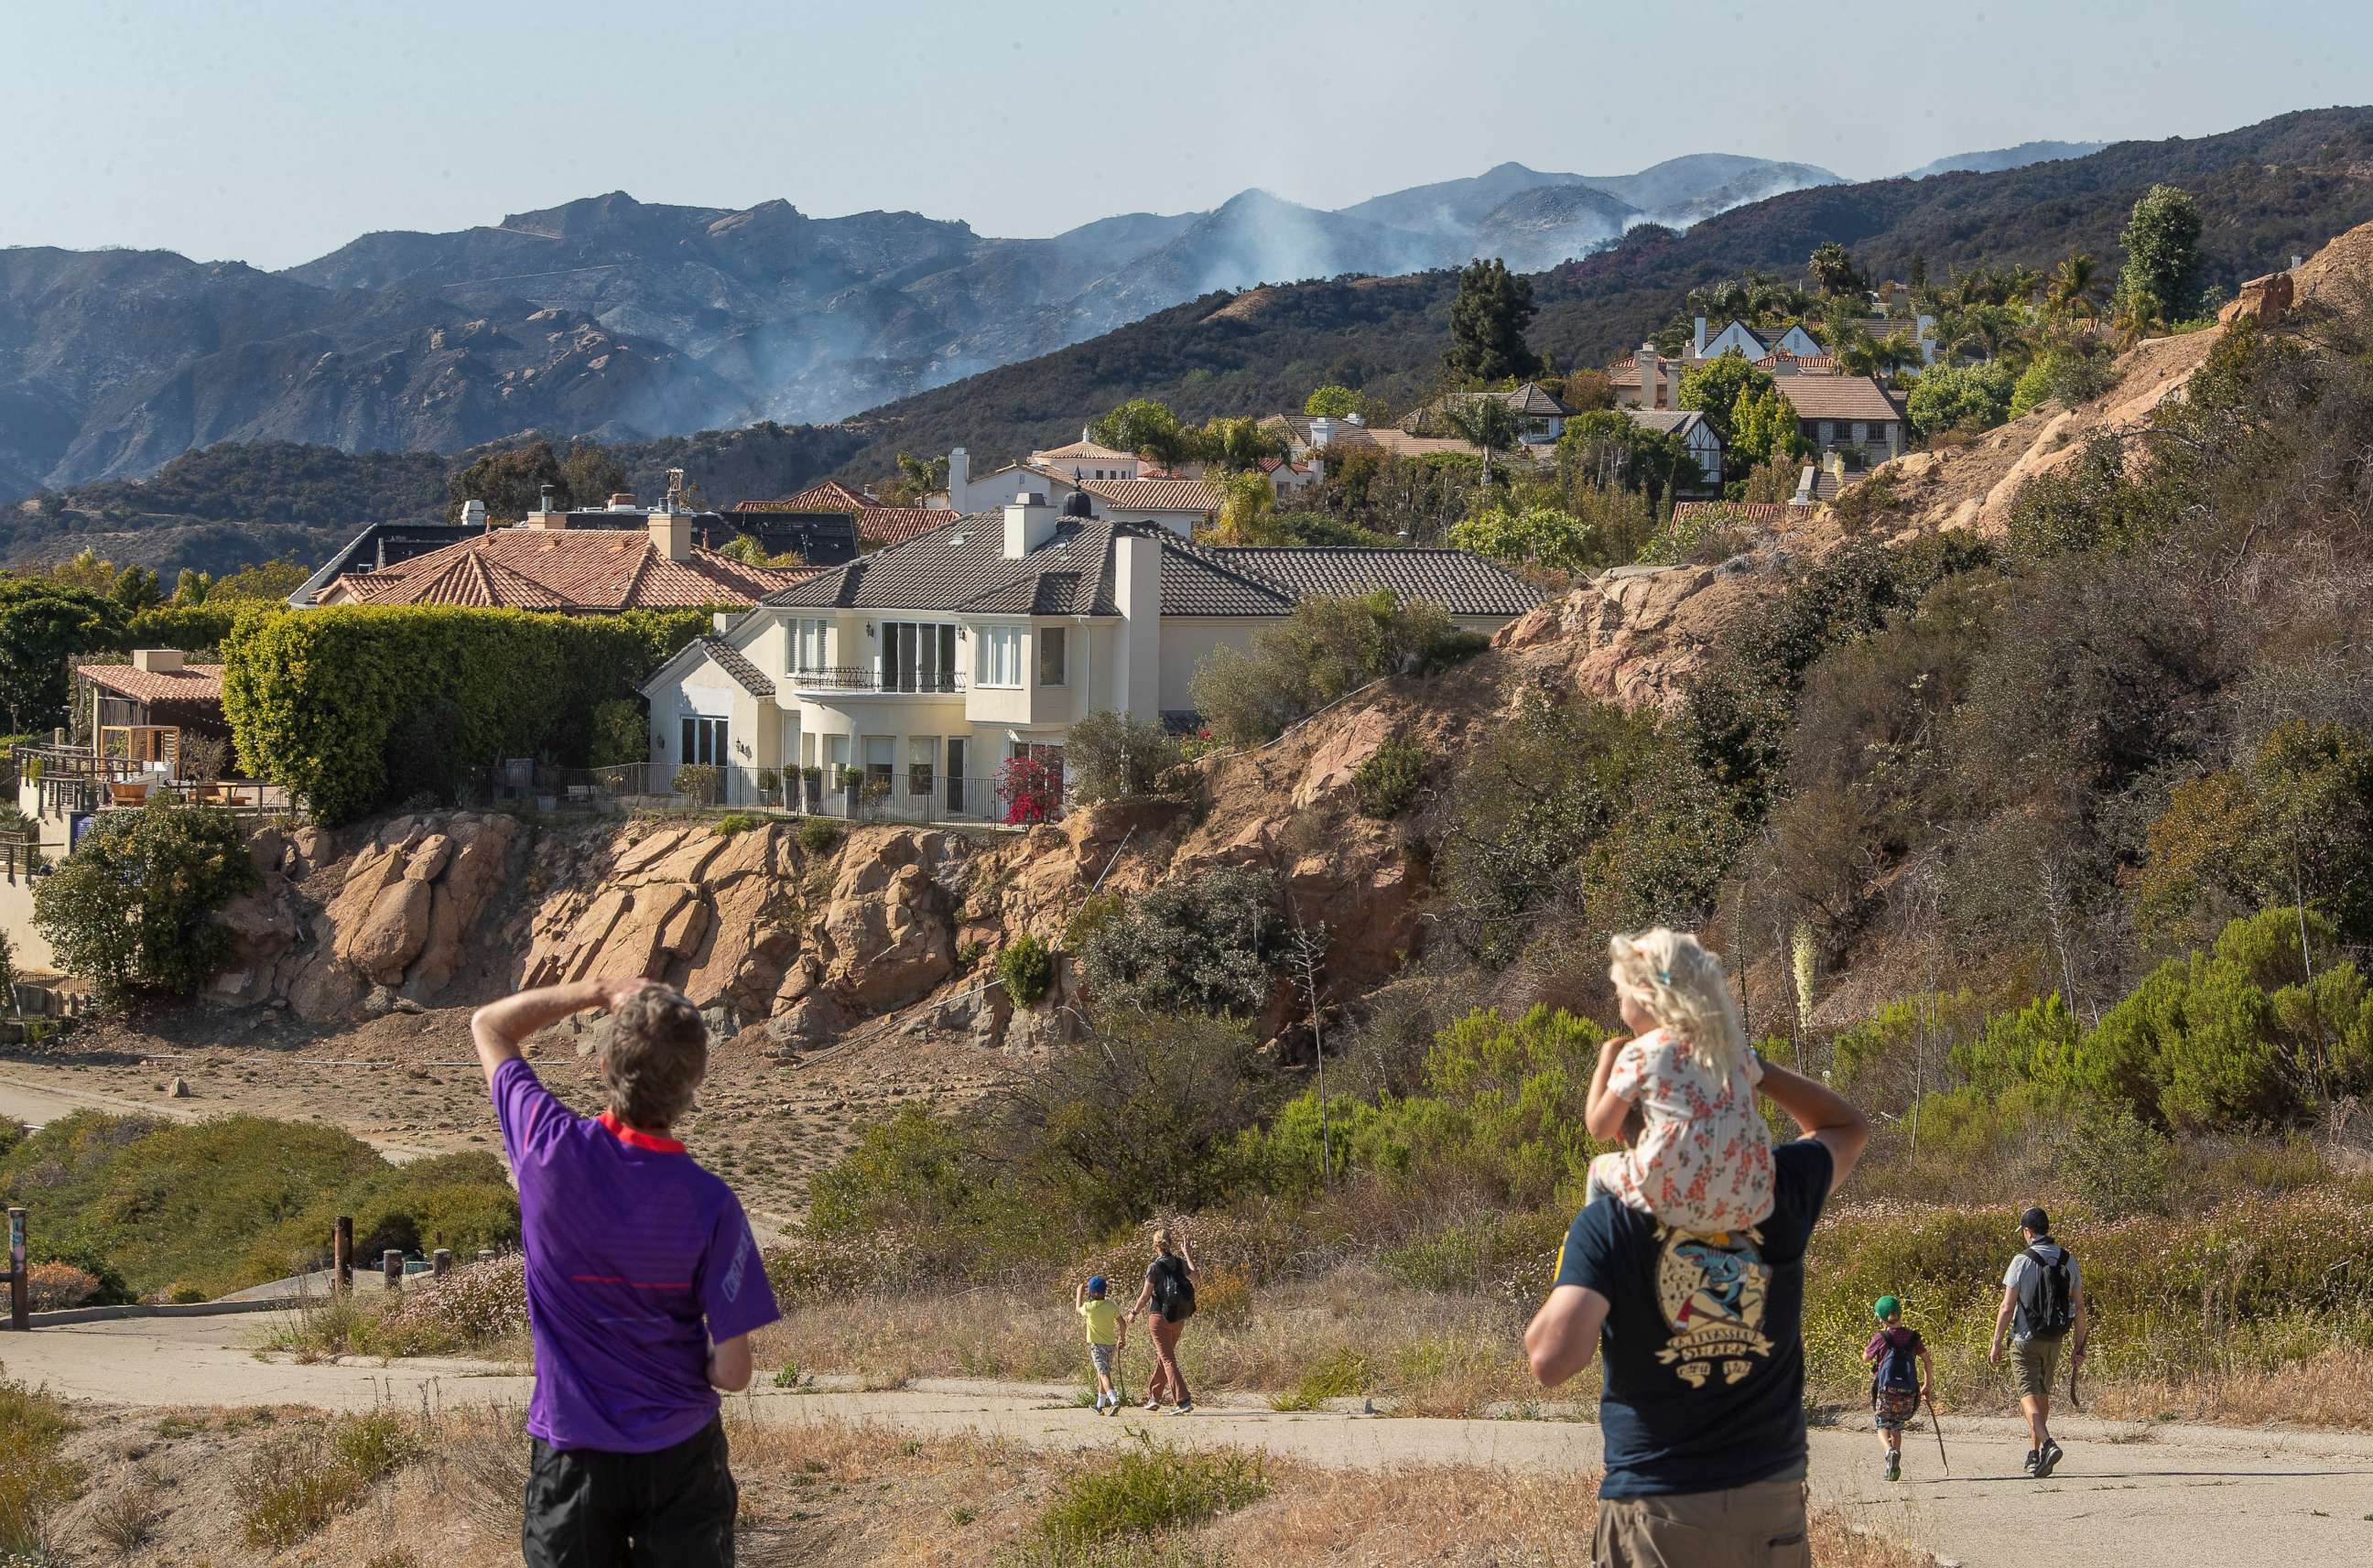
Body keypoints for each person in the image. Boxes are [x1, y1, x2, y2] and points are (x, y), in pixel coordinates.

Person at [471, 976, 783, 1566]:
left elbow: (490, 1025)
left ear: (605, 1064)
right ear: (694, 1082)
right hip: (682, 1457)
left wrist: (598, 990)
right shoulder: (711, 1202)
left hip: (573, 1453)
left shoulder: (548, 1150)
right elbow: (735, 1373)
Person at [1526, 1049, 1869, 1567]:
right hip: (1769, 1500)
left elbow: (1553, 1360)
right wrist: (1753, 1063)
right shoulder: (1774, 1188)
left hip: (1659, 1501)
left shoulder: (1610, 1222)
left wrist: (1586, 1243)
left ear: (1622, 1130)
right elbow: (1846, 1126)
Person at [1582, 929, 1774, 1235]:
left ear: (1644, 990)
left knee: (1598, 1169)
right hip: (1748, 1196)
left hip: (1671, 1198)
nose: (1620, 1006)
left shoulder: (1640, 1053)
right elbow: (1748, 1110)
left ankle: (1593, 1247)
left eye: (1622, 996)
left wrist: (1607, 1057)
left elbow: (1599, 1128)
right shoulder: (1731, 1047)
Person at [1990, 1205, 2086, 1478]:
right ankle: (2035, 1455)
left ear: (2029, 1232)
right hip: (2054, 1338)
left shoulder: (2021, 1260)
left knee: (2026, 1396)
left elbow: (2007, 1307)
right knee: (2042, 1393)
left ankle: (2047, 1443)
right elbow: (2079, 1308)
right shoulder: (2069, 1260)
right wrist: (2080, 1346)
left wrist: (1996, 1342)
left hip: (2024, 1338)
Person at [1125, 1227, 1197, 1414]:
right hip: (1179, 1318)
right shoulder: (1180, 1263)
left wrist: (1133, 1313)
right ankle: (1154, 1397)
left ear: (1154, 1246)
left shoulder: (1154, 1267)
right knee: (1163, 1357)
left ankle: (1183, 1401)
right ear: (1171, 1243)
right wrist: (1187, 1254)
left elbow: (1145, 1296)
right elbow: (1196, 1276)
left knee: (1167, 1359)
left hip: (1158, 1318)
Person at [1862, 1295, 1934, 1483]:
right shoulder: (1913, 1337)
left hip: (1886, 1391)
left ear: (1881, 1318)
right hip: (1907, 1392)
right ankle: (1893, 1468)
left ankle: (1889, 1452)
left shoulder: (1881, 1337)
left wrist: (1872, 1348)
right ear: (1900, 1313)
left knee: (1881, 1425)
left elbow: (1865, 1358)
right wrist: (1927, 1385)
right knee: (1897, 1427)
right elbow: (1927, 1362)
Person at [1076, 1274, 1126, 1415]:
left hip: (1097, 1346)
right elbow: (1122, 1322)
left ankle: (1114, 1400)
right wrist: (1122, 1338)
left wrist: (1079, 1291)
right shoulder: (1111, 1305)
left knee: (1103, 1374)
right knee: (1102, 1373)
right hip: (1111, 1345)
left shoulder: (1089, 1307)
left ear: (1092, 1292)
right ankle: (1100, 1405)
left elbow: (1077, 1308)